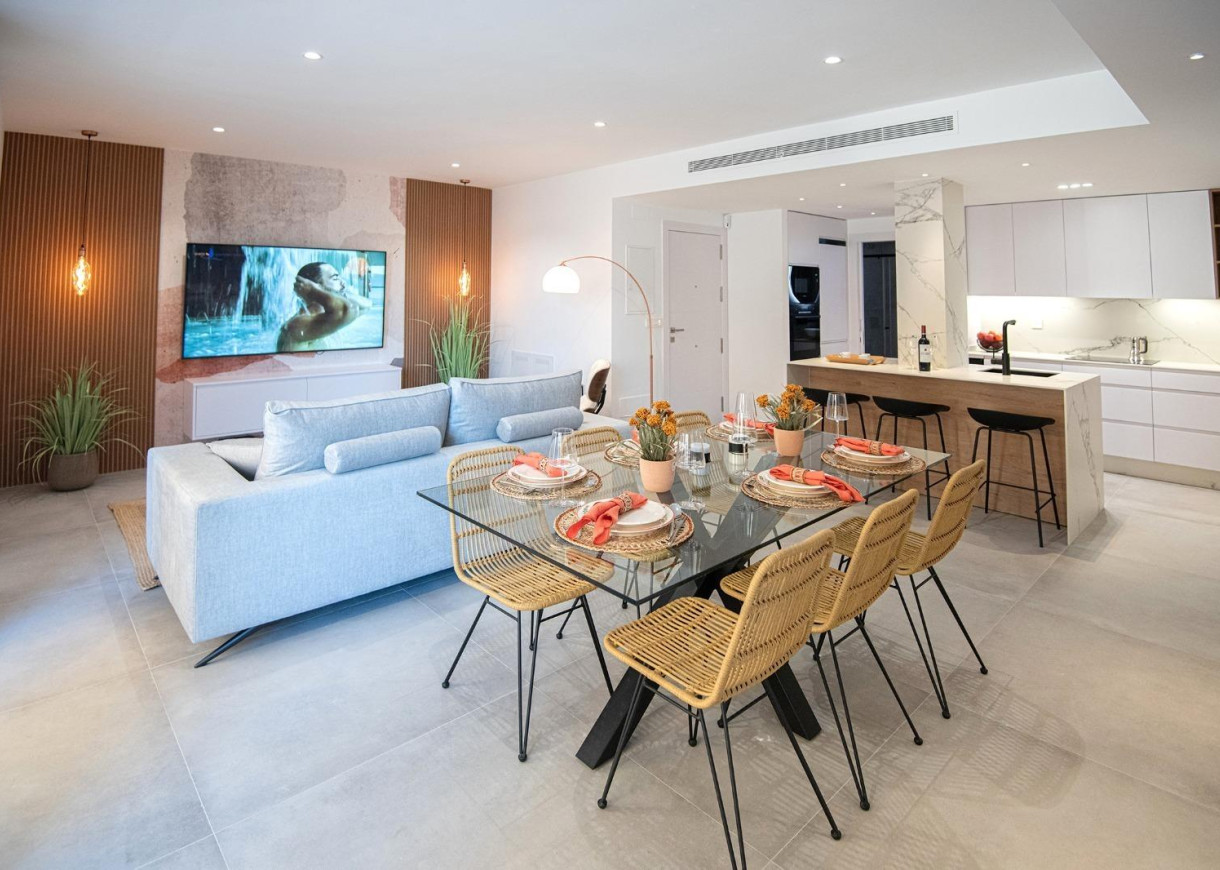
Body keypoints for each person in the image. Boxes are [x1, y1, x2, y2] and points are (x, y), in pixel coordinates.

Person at [276, 261, 371, 352]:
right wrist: (315, 291)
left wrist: (339, 293)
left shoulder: (327, 316)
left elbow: (367, 305)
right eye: (335, 278)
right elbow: (349, 310)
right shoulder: (297, 324)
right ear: (315, 286)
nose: (343, 283)